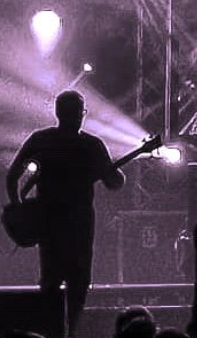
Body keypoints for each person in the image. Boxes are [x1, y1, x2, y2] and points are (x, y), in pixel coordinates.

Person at [5, 90, 126, 336]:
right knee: (77, 287)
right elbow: (114, 183)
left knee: (50, 284)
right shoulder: (91, 145)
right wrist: (115, 173)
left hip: (50, 224)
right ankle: (72, 334)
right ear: (80, 114)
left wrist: (20, 209)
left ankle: (51, 333)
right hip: (79, 227)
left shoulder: (42, 140)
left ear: (57, 112)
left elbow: (12, 176)